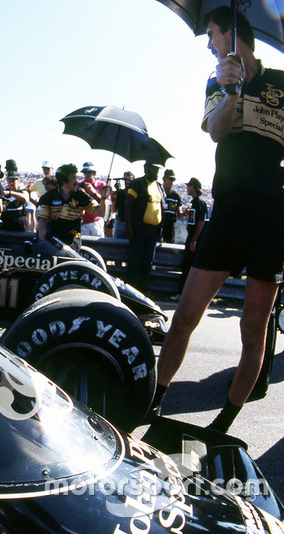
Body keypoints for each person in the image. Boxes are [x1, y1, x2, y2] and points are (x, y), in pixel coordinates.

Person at [150, 7, 284, 432]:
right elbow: (215, 132)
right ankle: (153, 402)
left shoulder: (283, 83)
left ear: (231, 33)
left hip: (271, 219)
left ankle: (223, 425)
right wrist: (230, 92)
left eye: (211, 33)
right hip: (227, 213)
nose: (208, 43)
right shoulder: (217, 78)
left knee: (253, 330)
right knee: (185, 314)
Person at [36, 163, 108, 249]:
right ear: (64, 181)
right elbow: (42, 223)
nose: (76, 181)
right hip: (52, 243)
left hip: (72, 244)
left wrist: (103, 198)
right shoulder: (48, 197)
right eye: (73, 178)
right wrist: (41, 245)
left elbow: (100, 213)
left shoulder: (80, 195)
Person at [124, 162, 164, 294]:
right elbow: (128, 204)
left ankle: (143, 289)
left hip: (153, 231)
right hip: (139, 228)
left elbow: (160, 209)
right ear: (146, 169)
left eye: (158, 169)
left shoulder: (158, 186)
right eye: (154, 169)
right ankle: (131, 290)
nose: (157, 172)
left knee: (147, 261)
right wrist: (128, 225)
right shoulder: (138, 183)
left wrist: (160, 232)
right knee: (135, 259)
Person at [172, 178, 208, 301]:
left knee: (188, 267)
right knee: (187, 267)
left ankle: (184, 294)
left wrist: (194, 240)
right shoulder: (195, 202)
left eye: (189, 186)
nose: (187, 188)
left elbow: (201, 222)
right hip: (192, 238)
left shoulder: (199, 203)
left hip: (195, 240)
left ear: (193, 187)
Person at [79, 162, 107, 237]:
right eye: (84, 172)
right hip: (83, 222)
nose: (86, 175)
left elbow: (104, 203)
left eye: (88, 172)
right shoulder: (80, 185)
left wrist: (94, 192)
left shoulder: (101, 185)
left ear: (94, 173)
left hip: (96, 221)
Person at [1, 166, 30, 231]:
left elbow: (25, 198)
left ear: (18, 181)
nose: (11, 183)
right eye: (9, 181)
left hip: (19, 221)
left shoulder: (22, 191)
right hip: (6, 220)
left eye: (13, 181)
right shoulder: (5, 192)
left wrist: (10, 193)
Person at [161, 169, 182, 243]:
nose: (172, 182)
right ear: (164, 179)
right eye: (170, 179)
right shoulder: (158, 192)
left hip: (169, 228)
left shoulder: (175, 196)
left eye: (173, 180)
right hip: (157, 226)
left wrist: (185, 213)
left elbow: (179, 214)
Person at [112, 171, 134, 239]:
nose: (127, 182)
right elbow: (113, 210)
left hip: (131, 224)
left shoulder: (135, 194)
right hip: (120, 222)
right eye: (126, 180)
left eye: (130, 180)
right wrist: (114, 197)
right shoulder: (120, 193)